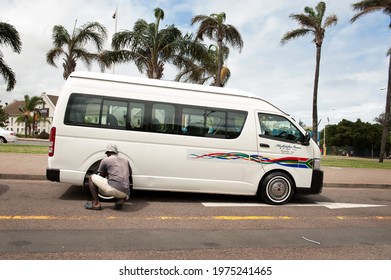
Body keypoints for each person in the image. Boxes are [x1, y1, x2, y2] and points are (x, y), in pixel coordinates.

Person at [84, 143, 131, 210]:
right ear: (116, 152)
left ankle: (96, 203)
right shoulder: (126, 160)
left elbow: (101, 176)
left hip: (114, 189)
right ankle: (121, 200)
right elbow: (129, 174)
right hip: (126, 193)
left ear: (108, 153)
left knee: (91, 178)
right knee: (120, 182)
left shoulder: (105, 160)